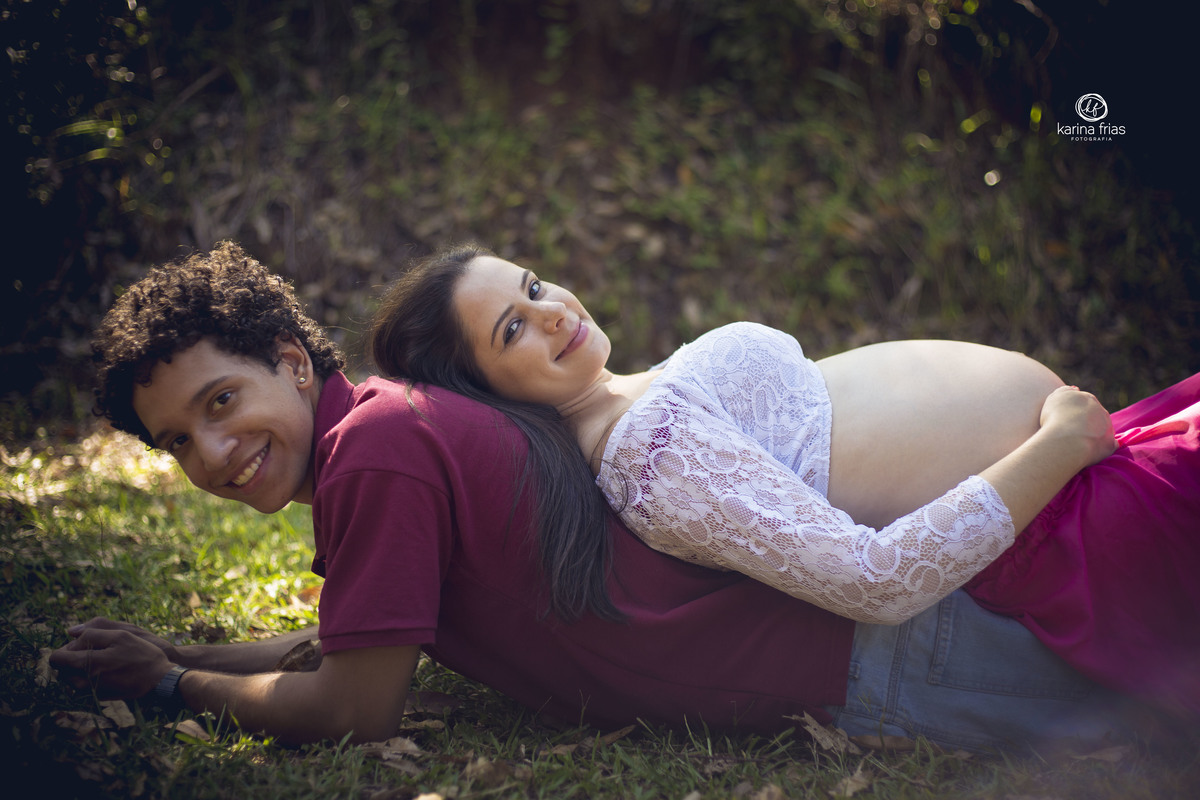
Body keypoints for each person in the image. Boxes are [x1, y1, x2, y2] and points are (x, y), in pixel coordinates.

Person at [48, 242, 1163, 754]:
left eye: (223, 398)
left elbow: (355, 704)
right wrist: (220, 651)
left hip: (889, 652)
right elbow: (369, 637)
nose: (215, 448)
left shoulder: (378, 449)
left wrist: (173, 682)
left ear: (293, 359)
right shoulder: (392, 431)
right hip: (888, 632)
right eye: (178, 440)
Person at [368, 244, 1200, 717]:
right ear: (489, 393)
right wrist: (1060, 443)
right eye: (515, 326)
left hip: (1105, 465)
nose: (553, 310)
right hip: (1076, 528)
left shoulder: (640, 396)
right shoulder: (647, 458)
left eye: (534, 284)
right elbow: (873, 581)